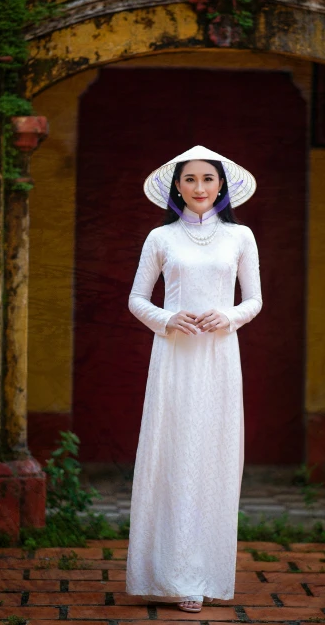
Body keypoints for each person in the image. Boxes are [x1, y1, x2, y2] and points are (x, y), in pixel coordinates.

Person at [125, 145, 263, 614]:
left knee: (214, 456)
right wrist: (168, 319)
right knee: (175, 453)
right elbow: (137, 299)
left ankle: (206, 575)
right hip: (175, 357)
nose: (199, 188)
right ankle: (170, 574)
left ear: (221, 184)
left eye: (208, 179)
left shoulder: (241, 237)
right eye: (190, 180)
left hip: (220, 356)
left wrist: (227, 317)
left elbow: (255, 301)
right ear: (176, 186)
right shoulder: (161, 238)